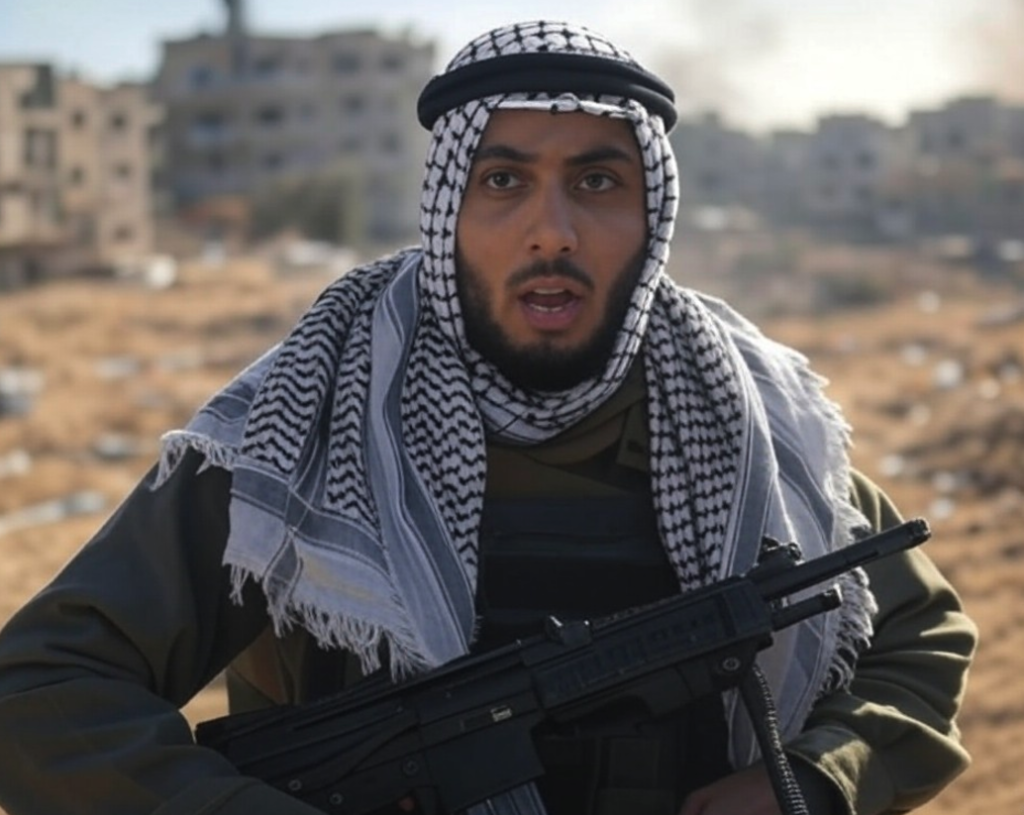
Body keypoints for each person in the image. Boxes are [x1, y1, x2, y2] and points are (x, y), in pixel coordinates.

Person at [0, 20, 975, 815]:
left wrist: (813, 776)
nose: (552, 230)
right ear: (446, 211)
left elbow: (917, 637)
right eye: (502, 181)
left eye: (598, 181)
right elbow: (40, 690)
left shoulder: (743, 420)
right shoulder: (303, 424)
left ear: (652, 216)